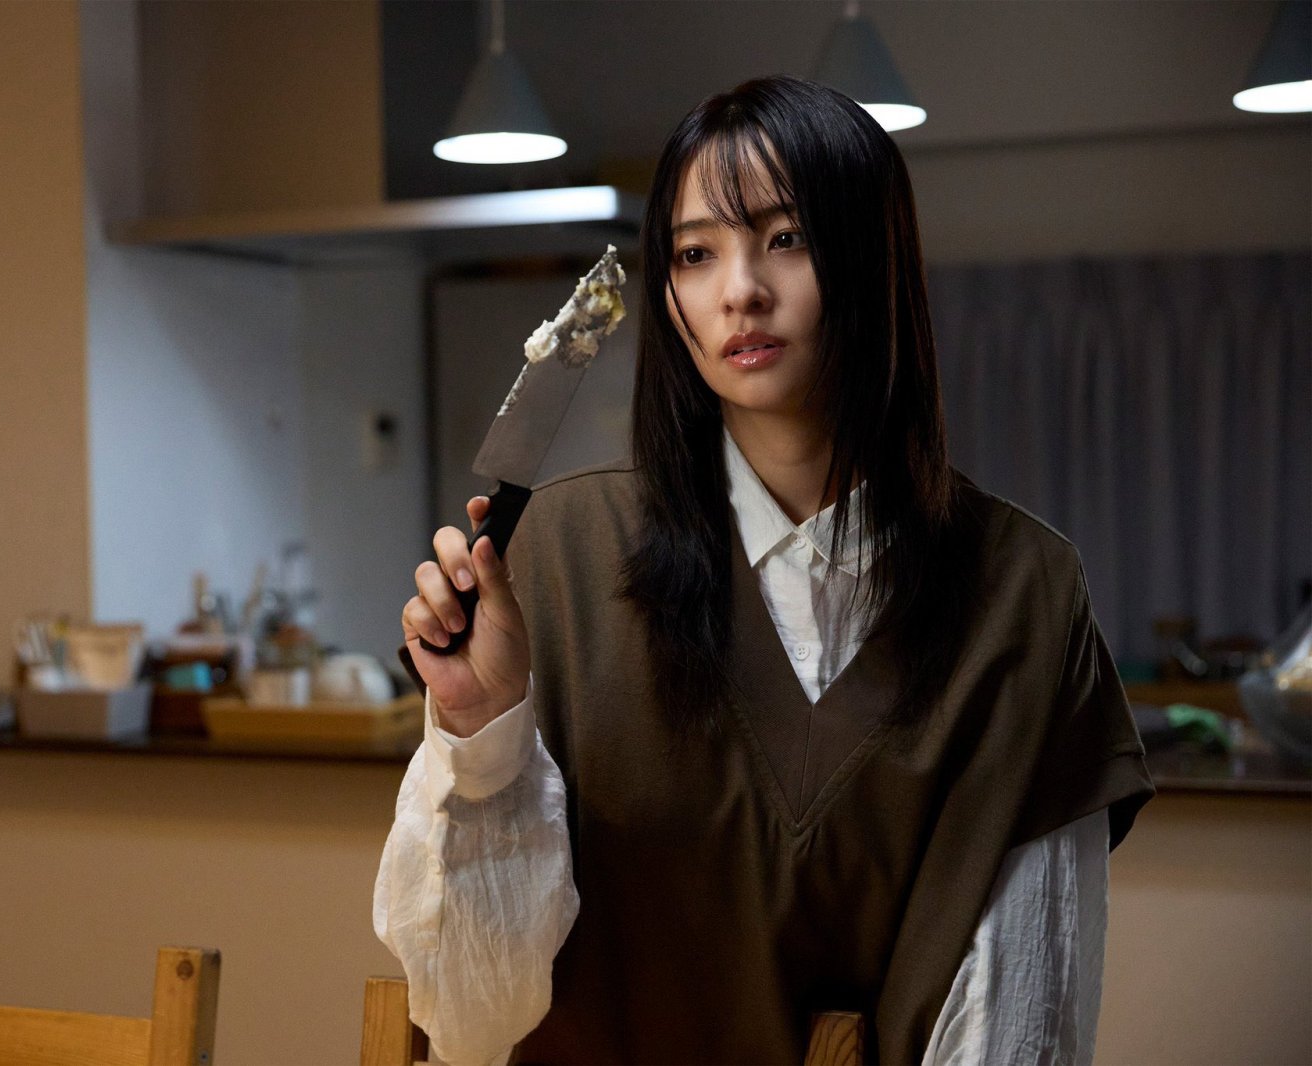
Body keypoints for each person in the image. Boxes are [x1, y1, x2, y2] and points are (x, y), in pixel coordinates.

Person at [374, 75, 1153, 1066]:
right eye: (695, 253)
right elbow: (472, 1020)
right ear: (669, 299)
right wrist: (481, 731)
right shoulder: (559, 556)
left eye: (786, 237)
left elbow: (1020, 1024)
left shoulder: (1024, 594)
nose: (739, 289)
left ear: (874, 261)